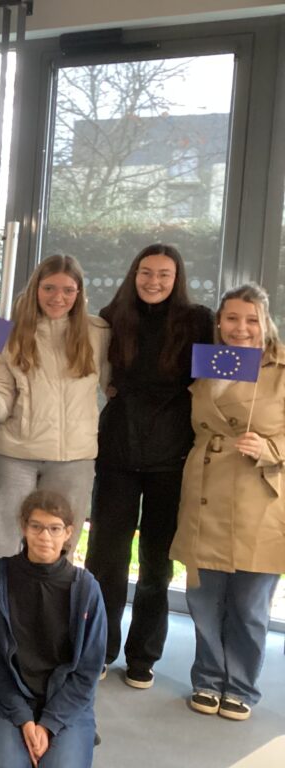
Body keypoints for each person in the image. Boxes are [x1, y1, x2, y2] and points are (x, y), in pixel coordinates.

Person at [85, 244, 213, 688]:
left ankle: (143, 656)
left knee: (157, 564)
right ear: (133, 274)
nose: (153, 281)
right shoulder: (111, 316)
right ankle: (99, 649)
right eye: (145, 272)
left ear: (177, 279)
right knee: (106, 558)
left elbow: (214, 381)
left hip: (172, 457)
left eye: (163, 274)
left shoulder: (199, 320)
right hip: (117, 452)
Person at [170, 283, 285, 722]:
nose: (241, 328)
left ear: (265, 322)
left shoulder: (281, 368)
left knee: (250, 604)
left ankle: (240, 686)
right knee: (204, 598)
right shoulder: (208, 363)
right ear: (219, 321)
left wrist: (270, 448)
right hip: (205, 490)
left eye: (252, 319)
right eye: (232, 318)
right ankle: (207, 678)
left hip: (258, 494)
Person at [0, 254, 110, 557]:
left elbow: (113, 386)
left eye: (68, 290)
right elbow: (0, 407)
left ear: (79, 293)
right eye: (49, 288)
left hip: (74, 459)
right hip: (16, 455)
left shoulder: (99, 333)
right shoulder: (6, 334)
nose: (58, 297)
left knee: (57, 548)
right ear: (35, 289)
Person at [0, 490, 106, 768]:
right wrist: (24, 719)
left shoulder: (86, 589)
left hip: (67, 702)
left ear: (68, 532)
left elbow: (88, 671)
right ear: (24, 527)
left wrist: (49, 724)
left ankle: (76, 733)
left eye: (55, 528)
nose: (45, 536)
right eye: (36, 526)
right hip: (12, 698)